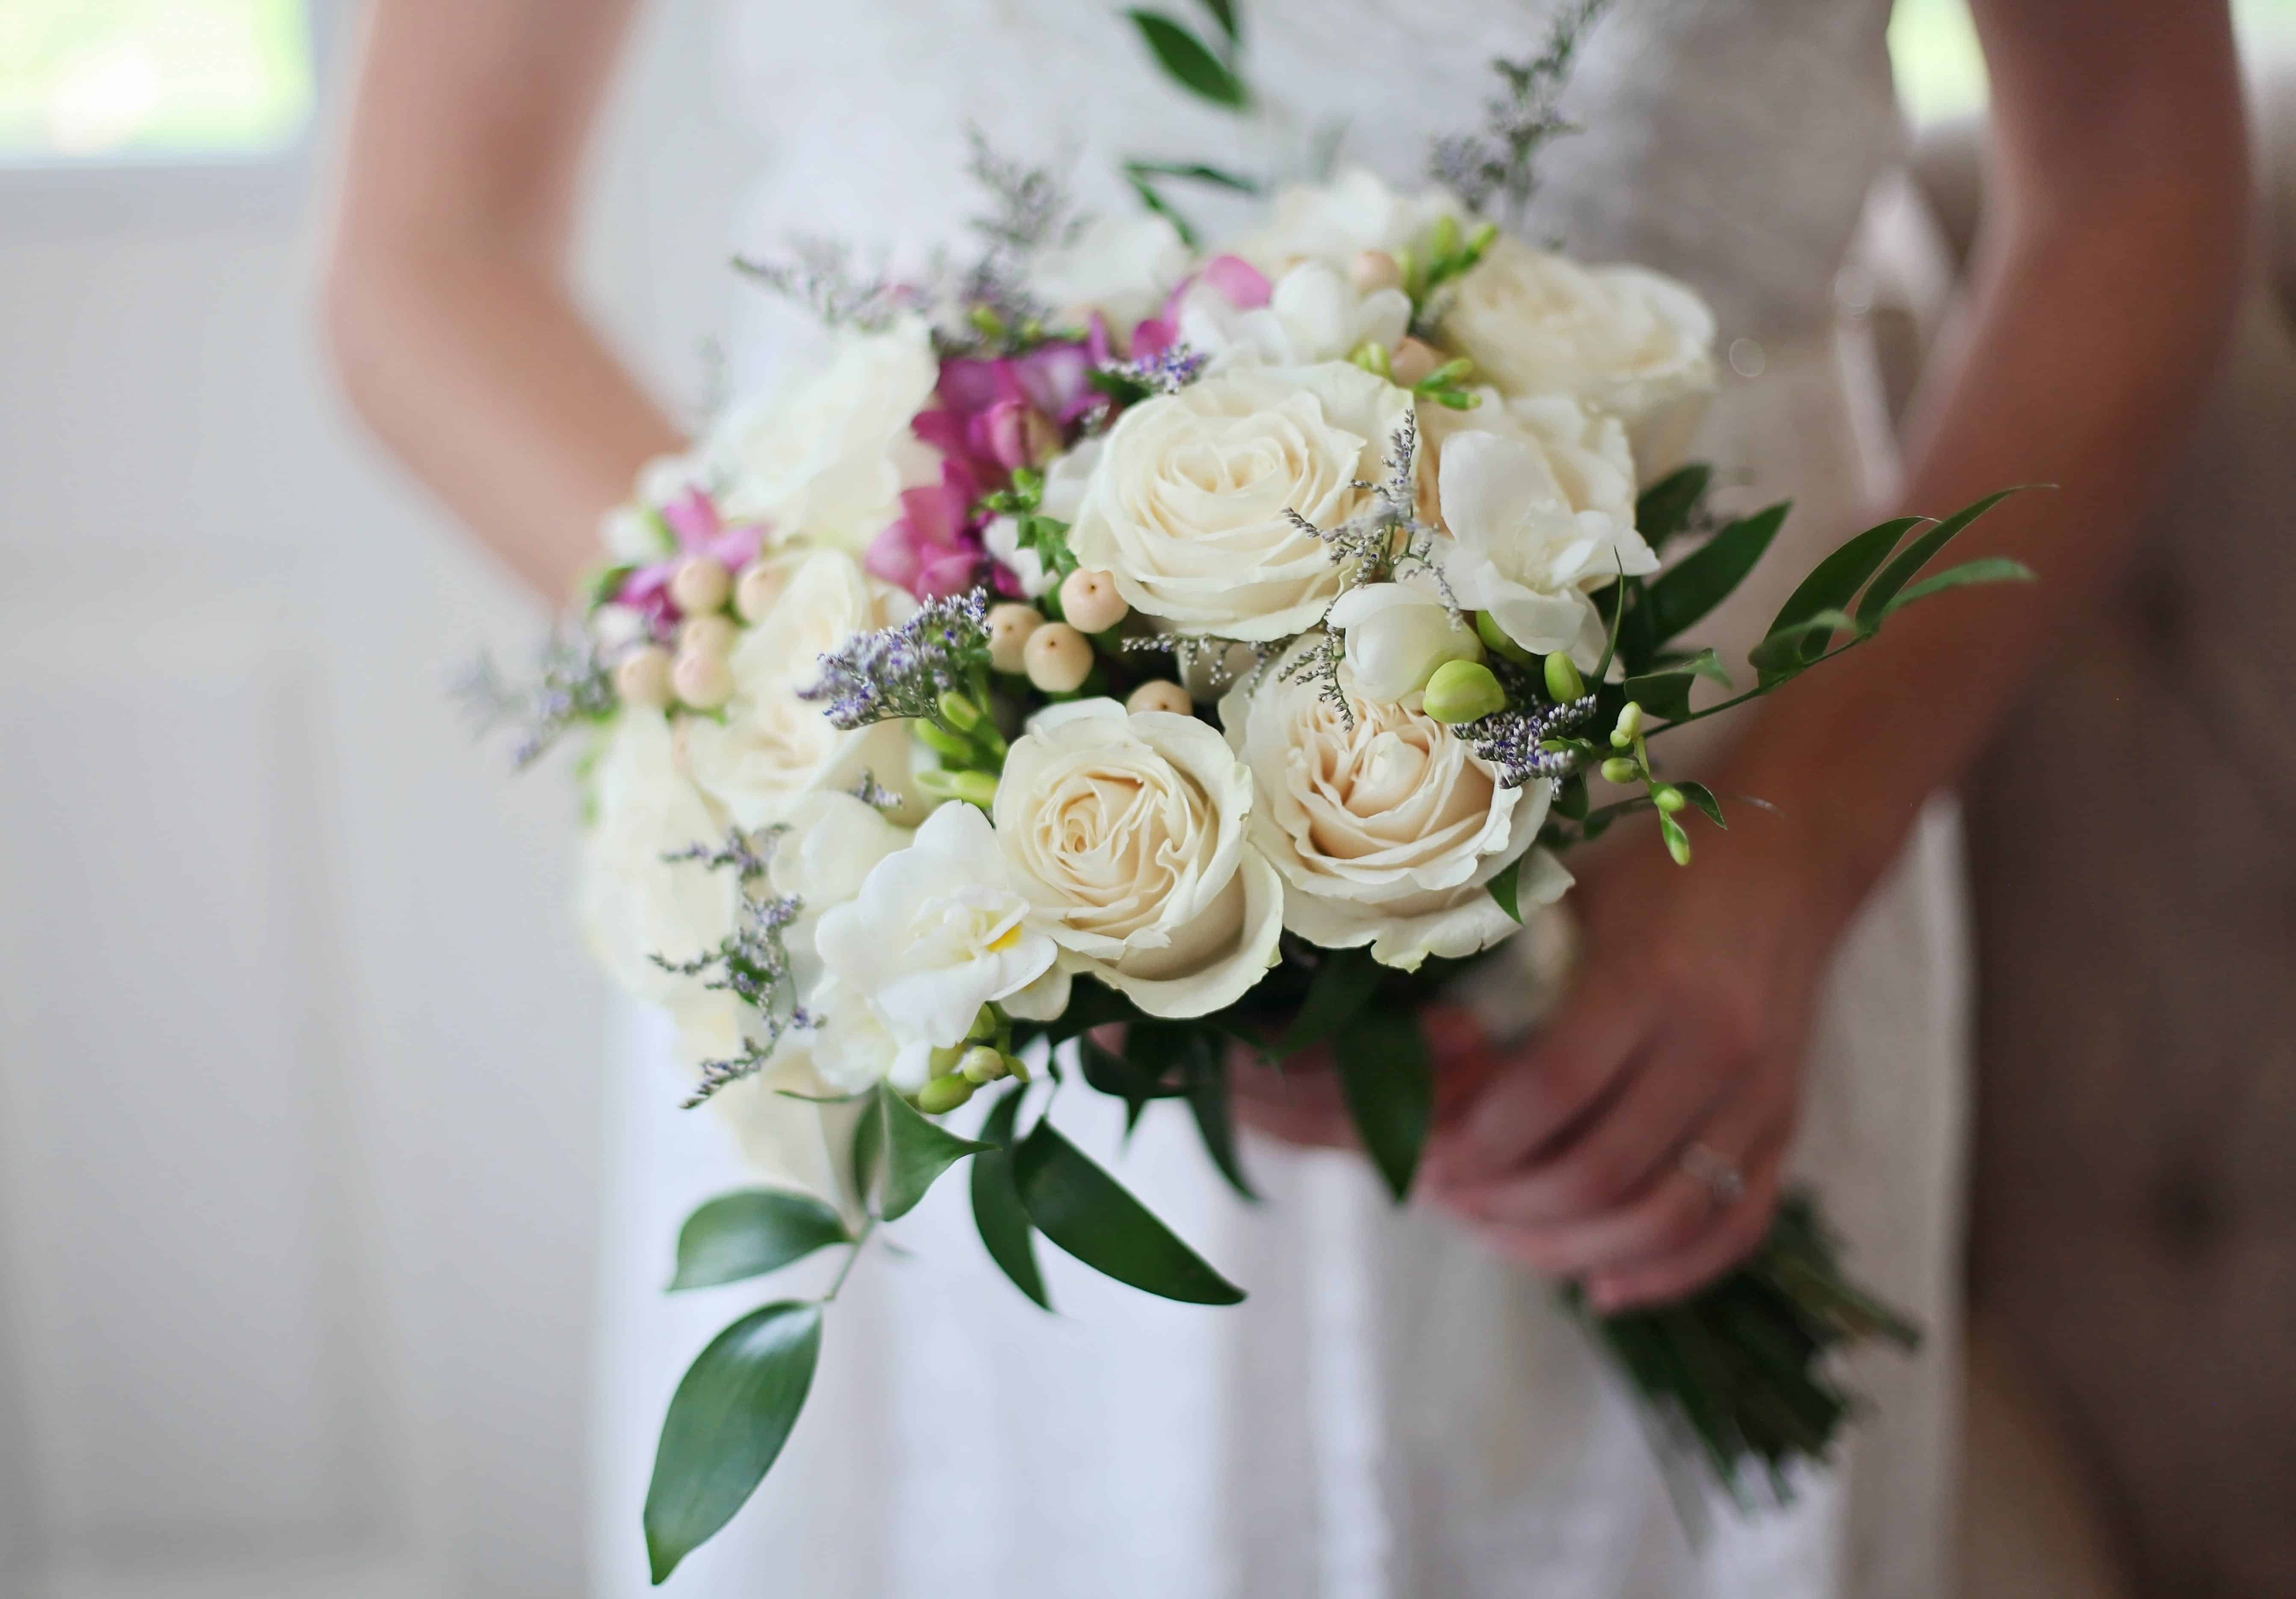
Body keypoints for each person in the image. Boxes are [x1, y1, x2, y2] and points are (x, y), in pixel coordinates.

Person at [325, 1, 2246, 1593]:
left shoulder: (1761, 872)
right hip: (936, 897)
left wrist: (1795, 858)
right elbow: (429, 255)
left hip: (1710, 850)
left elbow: (2139, 176)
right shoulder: (925, 813)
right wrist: (905, 770)